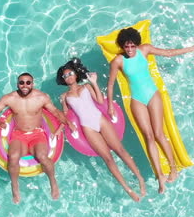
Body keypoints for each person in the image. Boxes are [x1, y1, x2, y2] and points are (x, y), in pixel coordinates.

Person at [107, 28, 194, 194]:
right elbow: (111, 84)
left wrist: (191, 48)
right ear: (122, 46)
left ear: (136, 43)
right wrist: (109, 105)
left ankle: (173, 169)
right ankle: (160, 177)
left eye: (131, 46)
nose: (129, 49)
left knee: (158, 134)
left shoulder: (145, 49)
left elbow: (169, 53)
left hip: (152, 94)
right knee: (149, 136)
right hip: (136, 100)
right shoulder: (118, 61)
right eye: (126, 47)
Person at [0, 73, 73, 204]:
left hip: (37, 133)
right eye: (22, 82)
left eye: (28, 82)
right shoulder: (9, 98)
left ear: (32, 84)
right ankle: (15, 187)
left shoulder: (41, 97)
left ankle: (53, 181)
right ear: (17, 84)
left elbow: (55, 112)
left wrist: (68, 123)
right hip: (18, 134)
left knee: (42, 157)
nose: (25, 85)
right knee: (13, 157)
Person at [57, 58, 146, 202]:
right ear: (63, 80)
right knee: (108, 159)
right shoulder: (64, 97)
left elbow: (99, 101)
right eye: (65, 76)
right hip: (88, 127)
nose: (68, 77)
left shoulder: (86, 86)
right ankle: (128, 188)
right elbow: (66, 115)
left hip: (100, 120)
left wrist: (94, 82)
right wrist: (66, 126)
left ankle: (140, 178)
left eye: (70, 73)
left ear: (75, 74)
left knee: (120, 150)